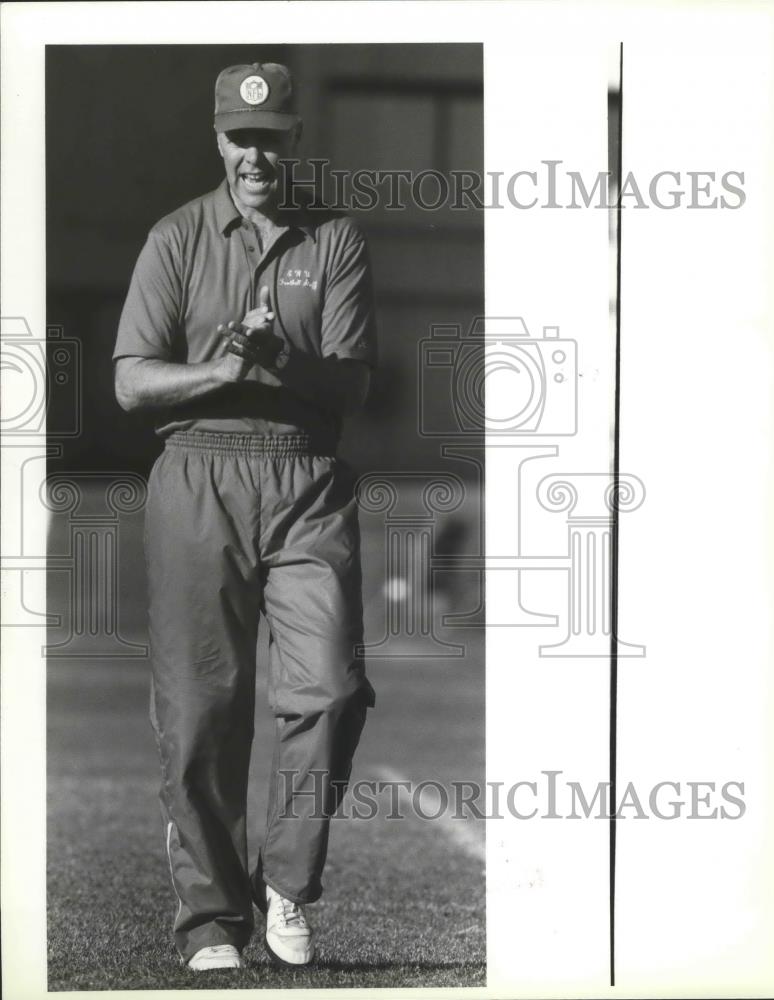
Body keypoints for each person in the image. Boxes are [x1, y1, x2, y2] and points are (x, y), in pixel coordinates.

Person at [113, 61, 377, 972]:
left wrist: (280, 358)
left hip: (306, 479)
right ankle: (214, 922)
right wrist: (221, 374)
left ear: (294, 138)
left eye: (270, 137)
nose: (255, 154)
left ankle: (290, 890)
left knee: (331, 690)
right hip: (197, 475)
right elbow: (131, 380)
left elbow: (353, 377)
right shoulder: (177, 237)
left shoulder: (334, 238)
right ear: (218, 138)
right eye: (239, 136)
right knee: (200, 712)